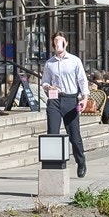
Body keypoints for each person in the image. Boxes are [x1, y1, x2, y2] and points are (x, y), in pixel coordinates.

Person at [41, 32, 89, 178]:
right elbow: (44, 81)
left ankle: (81, 162)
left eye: (60, 41)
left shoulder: (74, 61)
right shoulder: (50, 63)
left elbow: (82, 80)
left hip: (70, 99)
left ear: (66, 43)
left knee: (74, 135)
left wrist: (84, 98)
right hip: (55, 99)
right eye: (55, 41)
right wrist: (48, 87)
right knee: (52, 133)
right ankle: (54, 165)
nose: (57, 44)